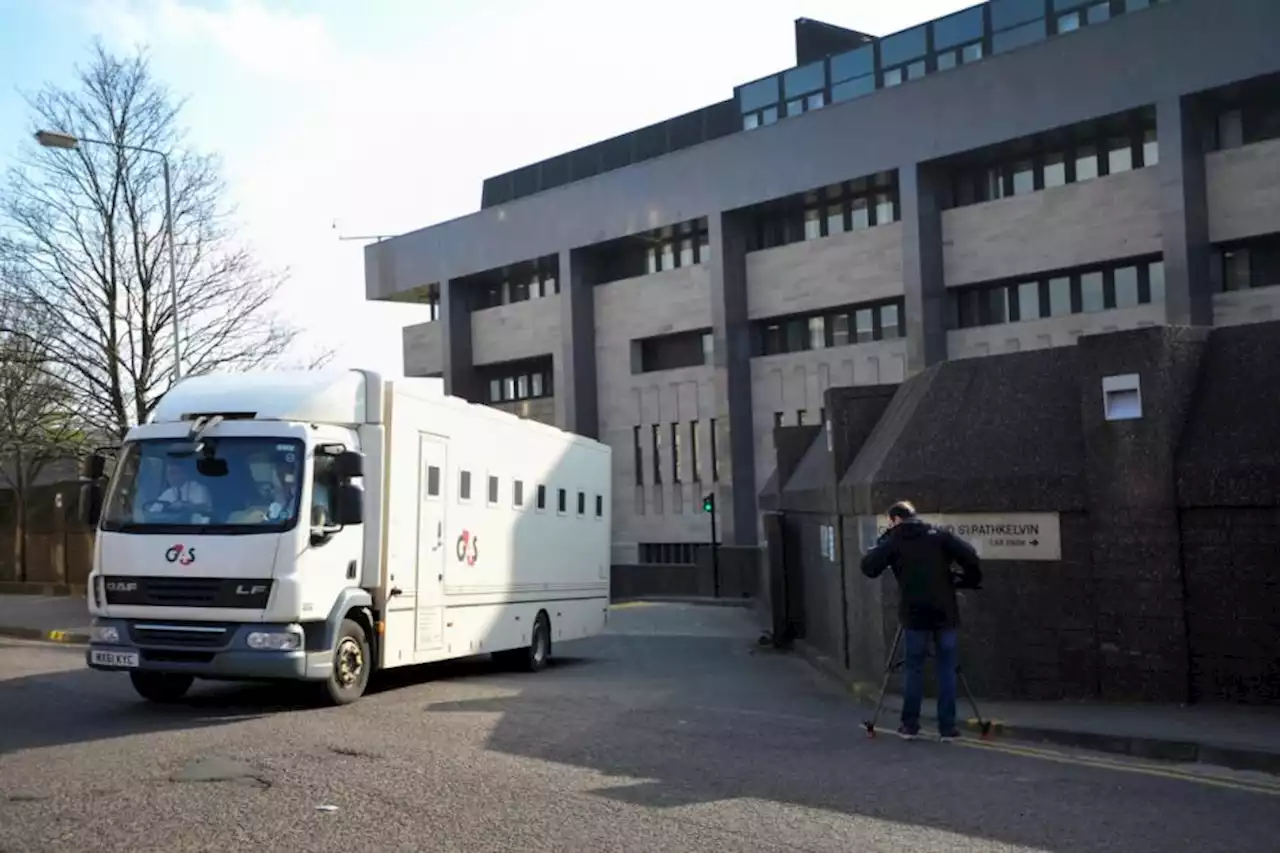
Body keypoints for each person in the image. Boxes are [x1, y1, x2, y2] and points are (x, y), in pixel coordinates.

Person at [860, 500, 982, 741]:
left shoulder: (895, 540)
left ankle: (910, 725)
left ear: (894, 519)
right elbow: (970, 556)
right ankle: (948, 728)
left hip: (914, 614)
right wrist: (966, 580)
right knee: (947, 668)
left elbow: (869, 567)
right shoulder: (939, 536)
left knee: (913, 668)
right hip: (945, 612)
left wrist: (883, 540)